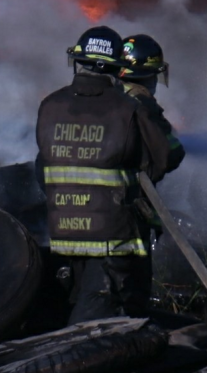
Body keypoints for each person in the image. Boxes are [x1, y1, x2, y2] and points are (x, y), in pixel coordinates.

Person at [36, 26, 169, 324]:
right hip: (113, 234)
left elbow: (40, 167)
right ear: (115, 67)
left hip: (64, 229)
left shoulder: (49, 105)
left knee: (79, 297)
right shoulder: (128, 108)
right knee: (106, 318)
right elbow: (161, 159)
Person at [119, 34, 185, 173]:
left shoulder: (104, 95)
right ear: (147, 76)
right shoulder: (144, 107)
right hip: (125, 190)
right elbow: (170, 154)